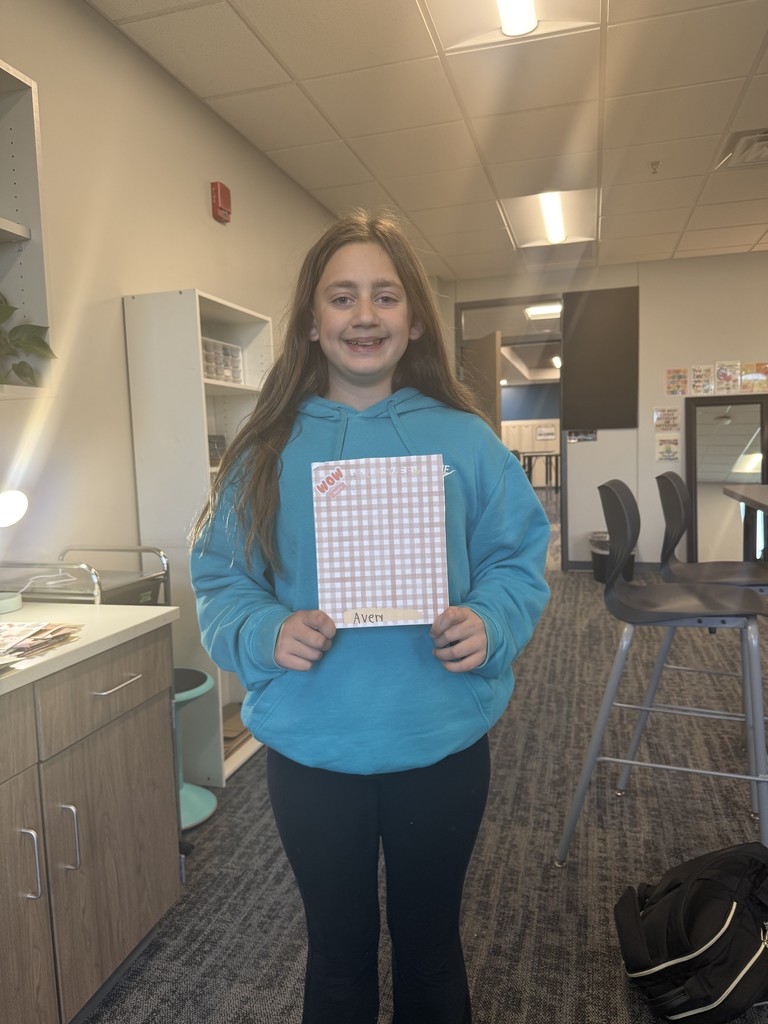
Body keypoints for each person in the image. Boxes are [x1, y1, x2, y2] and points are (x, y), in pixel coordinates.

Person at [190, 210, 550, 1024]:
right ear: (312, 323)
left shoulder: (465, 440)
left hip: (439, 740)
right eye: (342, 297)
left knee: (431, 950)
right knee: (338, 956)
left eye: (384, 297)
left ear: (413, 318)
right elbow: (220, 579)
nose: (363, 316)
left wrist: (490, 620)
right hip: (314, 746)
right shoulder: (263, 452)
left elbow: (517, 559)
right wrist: (263, 632)